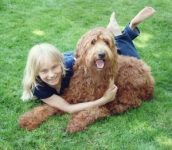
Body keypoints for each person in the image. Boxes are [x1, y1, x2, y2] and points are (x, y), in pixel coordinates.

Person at [21, 7, 155, 113]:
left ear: (60, 66)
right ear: (36, 73)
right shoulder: (38, 88)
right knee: (106, 54)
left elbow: (94, 63)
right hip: (79, 56)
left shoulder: (70, 65)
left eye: (54, 68)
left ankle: (121, 31)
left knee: (131, 61)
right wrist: (104, 100)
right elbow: (67, 107)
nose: (51, 74)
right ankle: (121, 31)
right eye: (44, 71)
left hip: (82, 57)